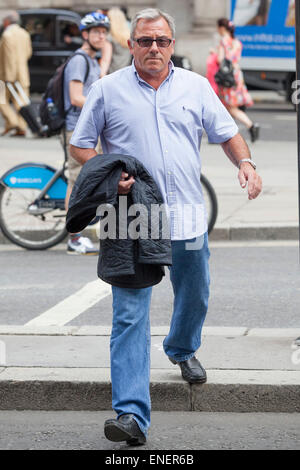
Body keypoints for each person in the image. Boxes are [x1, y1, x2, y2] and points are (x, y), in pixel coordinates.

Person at [69, 8, 262, 445]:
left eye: (161, 41)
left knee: (195, 292)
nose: (153, 48)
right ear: (131, 45)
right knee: (130, 315)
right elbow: (81, 145)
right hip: (131, 216)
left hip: (188, 216)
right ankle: (132, 416)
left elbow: (226, 132)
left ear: (172, 45)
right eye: (144, 41)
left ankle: (181, 348)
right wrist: (108, 172)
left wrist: (245, 163)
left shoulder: (196, 87)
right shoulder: (107, 90)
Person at [62, 12, 110, 255]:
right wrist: (102, 106)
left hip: (88, 127)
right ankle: (74, 238)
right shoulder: (80, 60)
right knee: (76, 180)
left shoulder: (92, 59)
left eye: (104, 32)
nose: (101, 36)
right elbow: (75, 97)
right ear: (85, 35)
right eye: (96, 32)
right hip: (75, 128)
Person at [216, 18, 260, 143]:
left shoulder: (224, 42)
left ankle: (250, 125)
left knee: (230, 106)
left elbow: (220, 60)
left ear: (222, 28)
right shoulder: (237, 43)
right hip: (236, 74)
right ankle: (227, 133)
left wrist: (214, 53)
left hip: (227, 77)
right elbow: (237, 59)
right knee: (229, 106)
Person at [0, 10, 32, 137]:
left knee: (2, 100)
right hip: (23, 74)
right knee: (22, 102)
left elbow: (8, 57)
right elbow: (28, 53)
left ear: (7, 21)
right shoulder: (25, 33)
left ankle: (12, 122)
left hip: (7, 75)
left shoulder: (7, 35)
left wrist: (9, 77)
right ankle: (21, 127)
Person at [106, 7, 131, 74]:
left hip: (112, 75)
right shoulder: (129, 36)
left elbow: (105, 61)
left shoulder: (109, 38)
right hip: (126, 74)